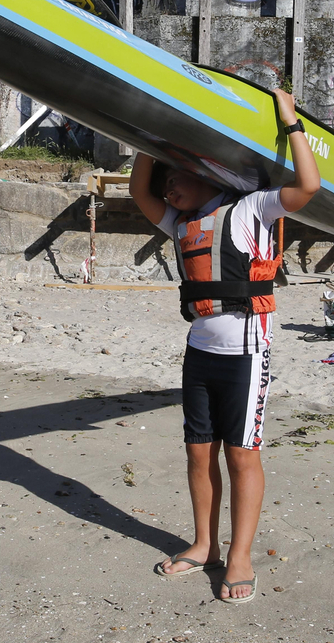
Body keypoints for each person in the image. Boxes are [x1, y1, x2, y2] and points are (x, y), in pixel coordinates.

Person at [128, 88, 320, 606]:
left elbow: (308, 186)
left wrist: (291, 123)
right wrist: (143, 135)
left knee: (241, 456)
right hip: (200, 349)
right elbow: (139, 194)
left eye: (176, 176)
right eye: (165, 179)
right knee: (197, 453)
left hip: (246, 350)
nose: (166, 188)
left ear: (209, 173)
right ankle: (205, 544)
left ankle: (239, 556)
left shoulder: (250, 208)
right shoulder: (183, 225)